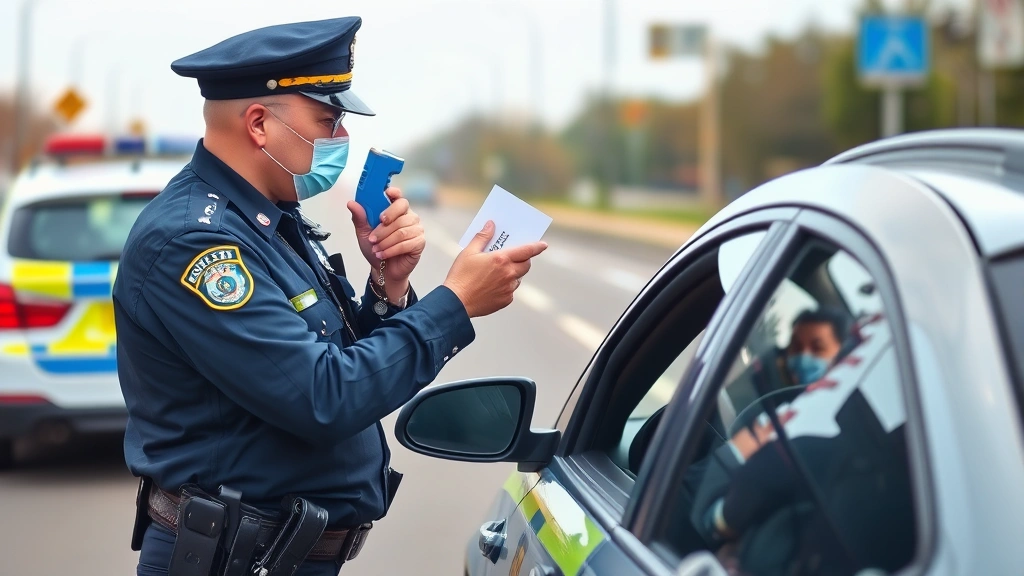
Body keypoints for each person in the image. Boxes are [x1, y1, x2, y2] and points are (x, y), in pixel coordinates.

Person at [114, 16, 547, 576]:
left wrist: (387, 287)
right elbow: (324, 397)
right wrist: (455, 303)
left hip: (273, 556)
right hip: (230, 560)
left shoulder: (272, 222)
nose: (341, 139)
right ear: (259, 124)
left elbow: (337, 360)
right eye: (328, 119)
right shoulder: (197, 243)